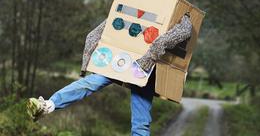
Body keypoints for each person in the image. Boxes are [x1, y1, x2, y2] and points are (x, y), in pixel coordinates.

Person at [27, 14, 192, 136]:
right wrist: (88, 62)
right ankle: (48, 106)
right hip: (123, 61)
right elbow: (96, 33)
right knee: (93, 82)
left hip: (145, 70)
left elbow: (185, 30)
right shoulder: (139, 4)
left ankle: (50, 105)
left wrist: (150, 55)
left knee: (139, 117)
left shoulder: (180, 14)